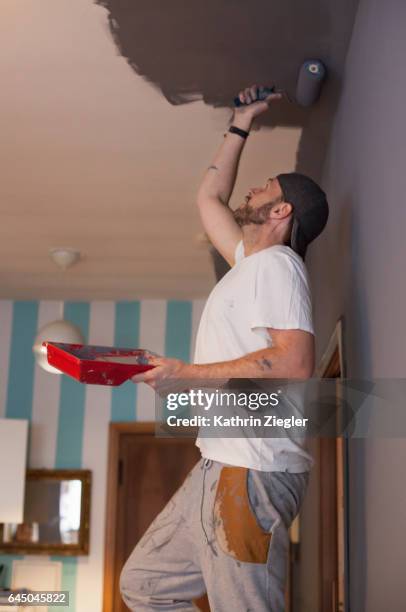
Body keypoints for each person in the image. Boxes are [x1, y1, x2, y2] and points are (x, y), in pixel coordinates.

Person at [120, 85, 329, 611]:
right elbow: (208, 198)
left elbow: (295, 363)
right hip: (218, 462)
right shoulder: (249, 263)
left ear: (281, 209)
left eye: (265, 186)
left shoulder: (281, 267)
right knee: (144, 584)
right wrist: (241, 122)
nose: (252, 188)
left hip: (251, 471)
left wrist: (185, 373)